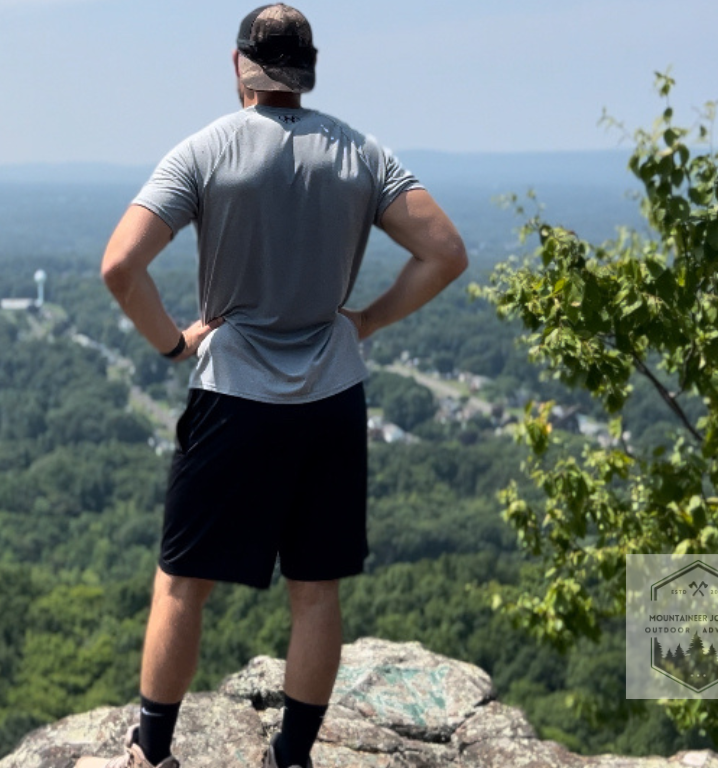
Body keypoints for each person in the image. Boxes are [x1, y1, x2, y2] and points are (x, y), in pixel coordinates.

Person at [82, 5, 468, 768]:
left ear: (238, 67)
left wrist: (173, 342)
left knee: (183, 583)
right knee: (316, 589)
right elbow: (445, 252)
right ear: (311, 69)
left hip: (232, 398)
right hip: (331, 399)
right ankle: (292, 756)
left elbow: (119, 267)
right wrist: (364, 323)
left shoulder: (207, 151)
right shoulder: (360, 154)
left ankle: (151, 751)